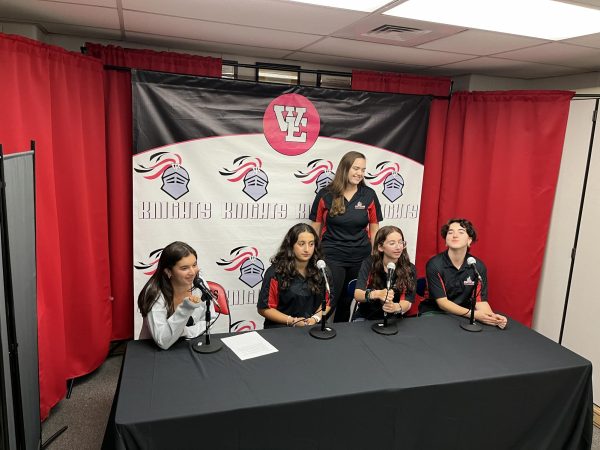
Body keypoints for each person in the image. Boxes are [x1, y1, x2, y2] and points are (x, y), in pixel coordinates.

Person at [310, 151, 382, 322]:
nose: (360, 173)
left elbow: (374, 228)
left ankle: (340, 337)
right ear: (345, 168)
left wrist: (376, 254)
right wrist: (313, 253)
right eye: (356, 168)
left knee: (347, 300)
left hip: (360, 257)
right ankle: (314, 331)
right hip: (333, 255)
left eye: (363, 170)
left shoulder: (368, 195)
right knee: (330, 299)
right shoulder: (325, 194)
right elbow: (315, 227)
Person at [418, 219, 508, 328]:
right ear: (446, 241)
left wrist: (492, 318)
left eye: (461, 232)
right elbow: (443, 303)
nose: (455, 235)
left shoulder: (477, 266)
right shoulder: (434, 264)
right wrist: (474, 314)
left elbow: (480, 301)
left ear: (469, 240)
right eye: (450, 232)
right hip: (435, 313)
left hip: (463, 314)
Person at [138, 241, 213, 349]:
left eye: (194, 265)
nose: (192, 272)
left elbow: (209, 319)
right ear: (168, 271)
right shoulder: (154, 293)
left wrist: (184, 332)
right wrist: (186, 308)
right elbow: (163, 342)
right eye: (184, 268)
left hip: (188, 346)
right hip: (154, 352)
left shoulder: (199, 284)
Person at [258, 223, 332, 328]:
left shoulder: (322, 270)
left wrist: (315, 319)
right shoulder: (275, 273)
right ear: (291, 245)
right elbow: (264, 308)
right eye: (301, 244)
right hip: (281, 327)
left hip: (312, 326)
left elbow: (328, 301)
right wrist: (292, 321)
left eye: (311, 244)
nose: (307, 249)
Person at [354, 226, 416, 320]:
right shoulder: (369, 263)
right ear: (380, 247)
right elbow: (358, 294)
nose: (398, 247)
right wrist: (376, 294)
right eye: (392, 243)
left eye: (400, 242)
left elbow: (407, 302)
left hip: (394, 317)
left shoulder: (409, 268)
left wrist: (396, 307)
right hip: (366, 315)